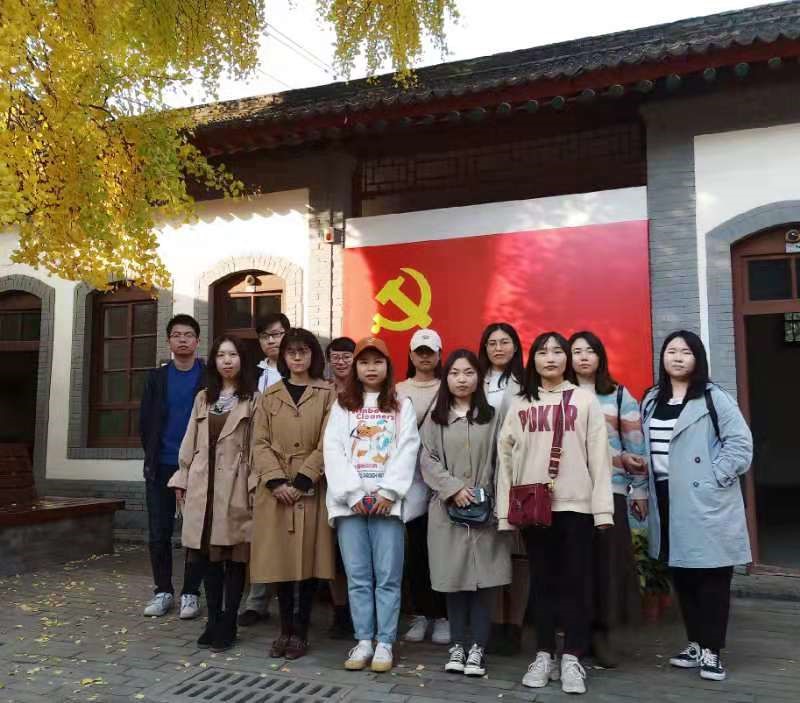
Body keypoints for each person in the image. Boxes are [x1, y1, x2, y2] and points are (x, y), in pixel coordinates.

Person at [497, 331, 613, 696]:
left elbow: (600, 458)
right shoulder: (520, 403)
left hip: (576, 506)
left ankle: (572, 657)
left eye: (557, 351)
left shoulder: (585, 400)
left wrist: (602, 510)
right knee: (542, 582)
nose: (550, 357)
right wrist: (505, 513)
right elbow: (505, 459)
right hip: (534, 508)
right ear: (532, 359)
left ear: (567, 359)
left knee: (576, 583)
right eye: (543, 352)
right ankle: (544, 654)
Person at [642, 331, 752, 682]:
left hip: (705, 499)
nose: (677, 357)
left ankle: (712, 650)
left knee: (712, 576)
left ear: (697, 358)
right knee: (683, 574)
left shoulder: (713, 397)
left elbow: (740, 444)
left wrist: (713, 477)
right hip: (665, 497)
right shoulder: (651, 399)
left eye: (685, 352)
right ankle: (695, 643)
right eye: (671, 351)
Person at [323, 336, 420, 674]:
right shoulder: (342, 405)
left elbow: (408, 447)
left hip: (386, 505)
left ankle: (385, 641)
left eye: (378, 362)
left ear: (388, 366)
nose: (371, 368)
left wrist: (388, 492)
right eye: (364, 362)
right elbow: (333, 450)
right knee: (358, 576)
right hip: (349, 506)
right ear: (356, 367)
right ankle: (364, 639)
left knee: (388, 577)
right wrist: (352, 494)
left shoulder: (401, 404)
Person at [420, 349, 512, 678]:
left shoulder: (493, 416)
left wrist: (499, 505)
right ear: (446, 378)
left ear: (479, 378)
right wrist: (453, 488)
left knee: (485, 582)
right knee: (454, 580)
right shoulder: (436, 418)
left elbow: (504, 461)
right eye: (455, 373)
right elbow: (427, 458)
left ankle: (478, 649)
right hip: (447, 511)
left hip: (486, 512)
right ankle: (457, 645)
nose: (462, 379)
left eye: (469, 373)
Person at [250, 328, 337, 660]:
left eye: (304, 351)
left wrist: (303, 480)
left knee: (310, 560)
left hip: (311, 487)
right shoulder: (269, 395)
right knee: (281, 562)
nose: (297, 357)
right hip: (276, 492)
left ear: (313, 355)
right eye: (291, 352)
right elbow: (258, 442)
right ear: (283, 357)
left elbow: (329, 441)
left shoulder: (328, 393)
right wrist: (276, 482)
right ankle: (285, 628)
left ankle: (301, 630)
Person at [168, 335, 258, 652]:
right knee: (207, 557)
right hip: (203, 486)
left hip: (235, 486)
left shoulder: (254, 399)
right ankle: (213, 620)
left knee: (233, 556)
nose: (227, 361)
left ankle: (229, 621)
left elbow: (257, 446)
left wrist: (253, 486)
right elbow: (189, 439)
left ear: (242, 359)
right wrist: (182, 477)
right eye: (221, 355)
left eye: (233, 355)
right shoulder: (204, 397)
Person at [569, 331, 648, 667]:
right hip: (569, 494)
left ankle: (602, 634)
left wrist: (639, 489)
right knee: (574, 565)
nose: (583, 357)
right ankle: (576, 634)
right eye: (576, 351)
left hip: (609, 491)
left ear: (600, 356)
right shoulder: (560, 394)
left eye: (590, 351)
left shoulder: (617, 395)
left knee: (606, 566)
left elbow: (635, 445)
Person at [140, 314, 206, 619]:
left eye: (188, 335)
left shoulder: (208, 376)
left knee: (195, 533)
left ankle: (191, 593)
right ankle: (163, 591)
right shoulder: (156, 378)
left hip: (198, 468)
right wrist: (153, 456)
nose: (182, 340)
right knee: (159, 532)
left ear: (197, 341)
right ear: (168, 341)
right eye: (177, 335)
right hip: (162, 466)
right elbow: (145, 422)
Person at [396, 329, 450, 645]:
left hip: (443, 482)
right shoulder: (398, 390)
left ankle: (443, 616)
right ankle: (421, 613)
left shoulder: (449, 387)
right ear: (411, 355)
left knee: (442, 551)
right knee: (416, 551)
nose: (425, 356)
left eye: (431, 351)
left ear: (440, 354)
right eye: (420, 351)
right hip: (411, 483)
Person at [477, 322, 527, 656]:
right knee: (491, 549)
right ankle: (495, 624)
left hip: (518, 472)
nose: (498, 348)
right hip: (482, 472)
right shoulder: (473, 378)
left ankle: (516, 625)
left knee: (520, 552)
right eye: (492, 343)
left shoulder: (527, 381)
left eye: (504, 342)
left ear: (515, 347)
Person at [239, 312, 291, 627]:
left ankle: (293, 605)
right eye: (265, 336)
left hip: (294, 465)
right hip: (258, 463)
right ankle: (256, 602)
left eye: (277, 334)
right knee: (261, 536)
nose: (272, 341)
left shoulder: (300, 369)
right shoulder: (252, 375)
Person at [324, 336, 357, 639]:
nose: (341, 361)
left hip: (361, 482)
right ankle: (340, 611)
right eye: (336, 356)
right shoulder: (323, 391)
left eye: (347, 356)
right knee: (332, 553)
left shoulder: (368, 392)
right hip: (327, 479)